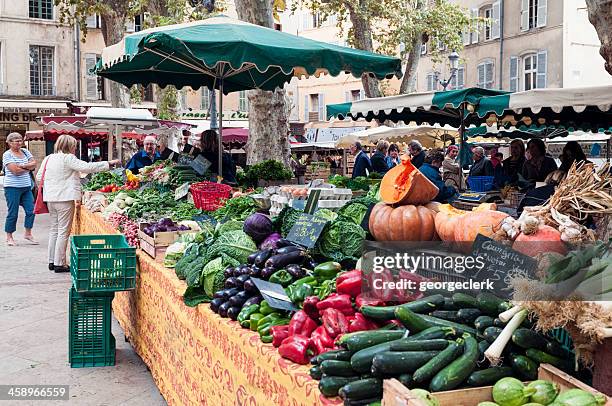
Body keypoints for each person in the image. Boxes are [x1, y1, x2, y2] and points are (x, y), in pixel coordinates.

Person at [36, 135, 120, 272]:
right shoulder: (68, 158)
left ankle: (51, 261)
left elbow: (39, 177)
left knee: (54, 229)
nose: (75, 148)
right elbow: (86, 167)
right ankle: (59, 263)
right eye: (74, 145)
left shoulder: (48, 158)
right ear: (69, 146)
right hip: (65, 198)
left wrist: (52, 186)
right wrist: (108, 164)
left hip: (50, 198)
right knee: (63, 231)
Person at [3, 132, 37, 246]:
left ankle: (28, 233)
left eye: (20, 140)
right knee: (13, 213)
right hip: (12, 187)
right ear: (9, 143)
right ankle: (9, 237)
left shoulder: (26, 152)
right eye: (16, 140)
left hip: (26, 187)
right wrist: (28, 167)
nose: (19, 142)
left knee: (31, 210)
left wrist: (22, 166)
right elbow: (15, 171)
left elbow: (34, 164)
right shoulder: (7, 155)